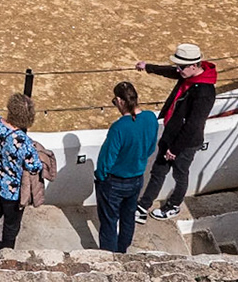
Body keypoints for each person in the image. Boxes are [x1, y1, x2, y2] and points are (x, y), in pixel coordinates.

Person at [134, 43, 218, 221]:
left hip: (185, 143)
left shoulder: (205, 92)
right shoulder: (189, 76)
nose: (177, 70)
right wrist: (148, 67)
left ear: (194, 66)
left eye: (181, 67)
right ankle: (143, 205)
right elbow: (171, 72)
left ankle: (174, 205)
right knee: (158, 171)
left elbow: (194, 124)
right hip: (171, 134)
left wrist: (175, 148)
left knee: (180, 174)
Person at [93, 81, 158, 253]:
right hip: (136, 179)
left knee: (109, 222)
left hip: (113, 182)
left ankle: (109, 257)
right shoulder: (151, 118)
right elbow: (151, 148)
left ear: (120, 101)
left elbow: (107, 159)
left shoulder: (119, 127)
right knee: (128, 218)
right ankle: (122, 252)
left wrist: (100, 177)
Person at [0, 92, 46, 251]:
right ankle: (7, 251)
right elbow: (35, 167)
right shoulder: (24, 143)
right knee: (11, 224)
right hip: (13, 191)